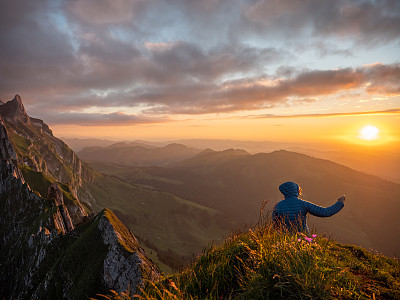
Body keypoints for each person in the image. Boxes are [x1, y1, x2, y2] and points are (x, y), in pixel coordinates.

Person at [272, 181, 345, 234]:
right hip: (303, 239)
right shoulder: (303, 204)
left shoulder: (278, 205)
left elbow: (275, 225)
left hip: (285, 240)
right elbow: (325, 212)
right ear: (296, 191)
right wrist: (340, 203)